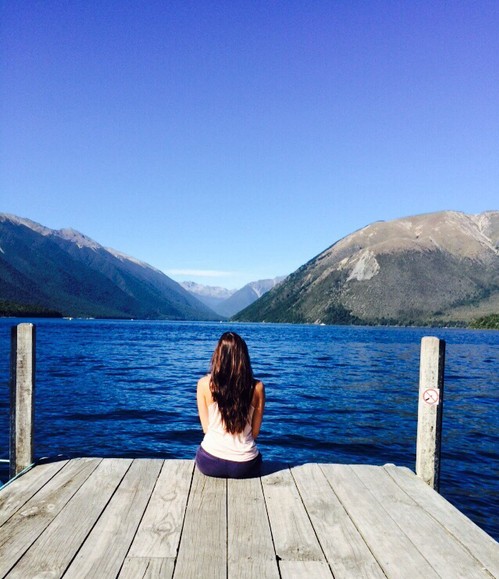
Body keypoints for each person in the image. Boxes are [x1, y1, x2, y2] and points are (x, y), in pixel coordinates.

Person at [195, 331, 265, 478]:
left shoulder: (203, 384)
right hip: (245, 465)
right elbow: (255, 433)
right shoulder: (257, 387)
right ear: (244, 357)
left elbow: (206, 429)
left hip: (209, 461)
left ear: (218, 356)